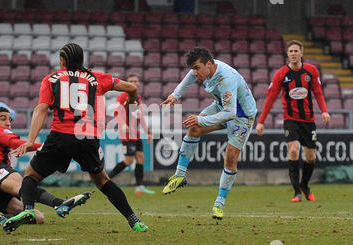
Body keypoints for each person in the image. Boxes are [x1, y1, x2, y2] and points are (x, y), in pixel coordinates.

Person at [3, 43, 148, 233]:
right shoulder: (96, 78)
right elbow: (131, 87)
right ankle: (134, 221)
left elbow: (41, 109)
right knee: (103, 181)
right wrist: (130, 102)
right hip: (88, 138)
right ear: (82, 61)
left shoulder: (51, 79)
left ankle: (29, 209)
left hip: (60, 136)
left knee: (31, 176)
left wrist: (30, 140)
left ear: (62, 60)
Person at [160, 47, 257, 221]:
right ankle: (180, 176)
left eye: (197, 68)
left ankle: (219, 203)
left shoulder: (226, 78)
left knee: (230, 158)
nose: (195, 73)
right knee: (194, 129)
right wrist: (175, 95)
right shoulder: (204, 70)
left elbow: (230, 114)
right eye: (193, 68)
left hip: (242, 116)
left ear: (209, 64)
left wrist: (200, 119)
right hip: (221, 106)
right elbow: (189, 77)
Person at [0, 107, 90, 229]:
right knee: (25, 185)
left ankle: (1, 218)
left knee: (37, 217)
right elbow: (17, 143)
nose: (8, 122)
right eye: (3, 119)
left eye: (10, 119)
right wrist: (49, 147)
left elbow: (20, 145)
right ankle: (59, 203)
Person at [255, 40, 331, 203]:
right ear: (287, 54)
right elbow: (270, 98)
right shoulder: (281, 74)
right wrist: (261, 121)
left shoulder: (311, 71)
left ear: (302, 53)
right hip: (291, 119)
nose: (294, 53)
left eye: (296, 51)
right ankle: (296, 192)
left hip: (308, 120)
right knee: (294, 150)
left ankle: (304, 185)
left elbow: (318, 92)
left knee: (311, 157)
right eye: (291, 51)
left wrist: (324, 110)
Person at [108, 74, 155, 195]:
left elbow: (141, 116)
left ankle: (139, 187)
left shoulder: (138, 97)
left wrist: (148, 132)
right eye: (131, 81)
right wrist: (123, 124)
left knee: (140, 158)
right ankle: (106, 179)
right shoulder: (123, 96)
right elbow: (117, 112)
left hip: (136, 134)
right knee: (129, 160)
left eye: (135, 81)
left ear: (138, 83)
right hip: (127, 134)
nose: (134, 83)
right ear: (126, 83)